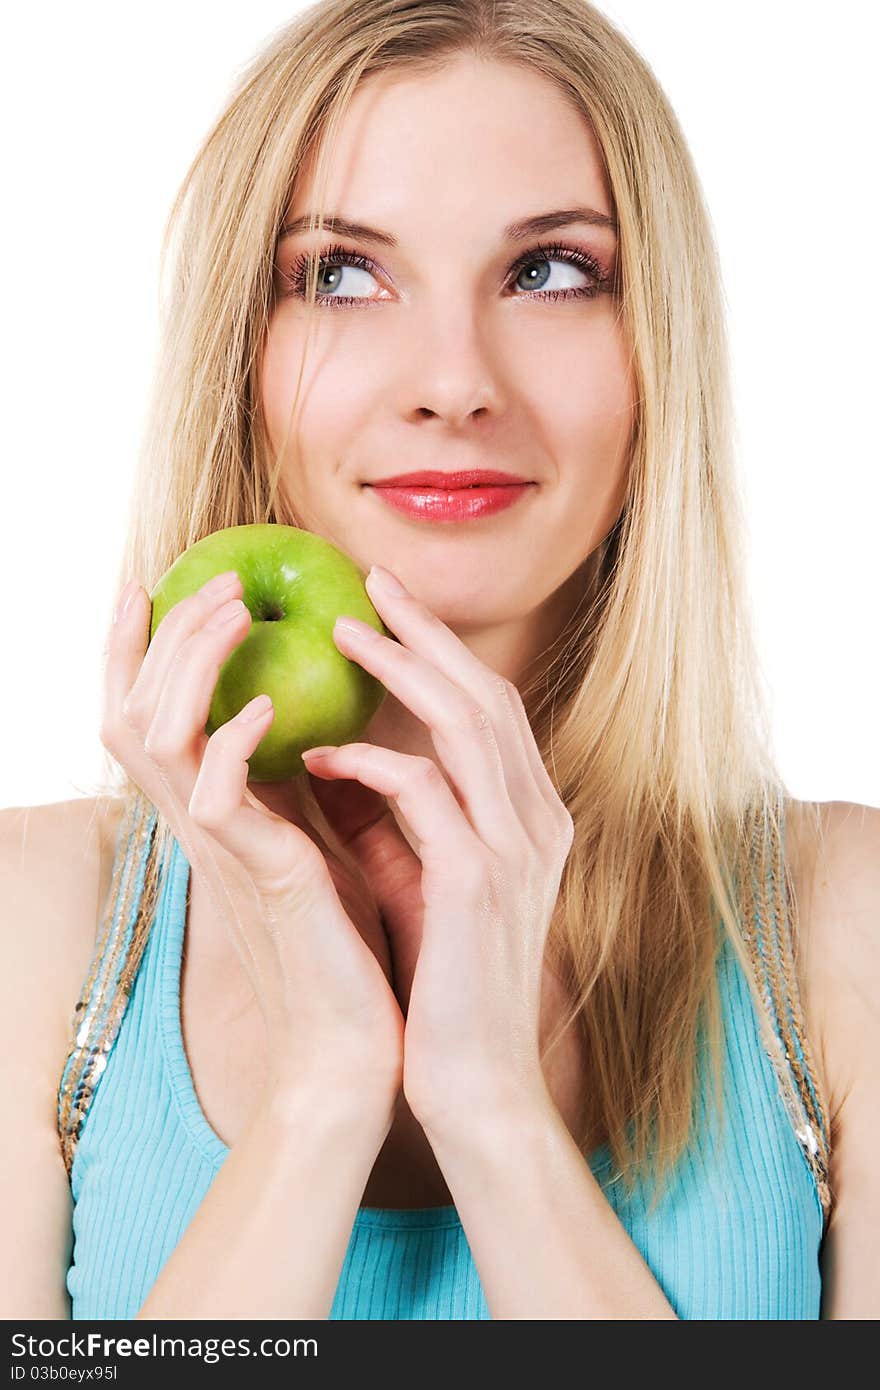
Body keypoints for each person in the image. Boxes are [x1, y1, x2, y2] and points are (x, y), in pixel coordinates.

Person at [2, 0, 877, 1322]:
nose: (454, 380)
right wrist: (323, 1088)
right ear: (241, 355)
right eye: (343, 275)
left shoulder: (842, 935)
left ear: (657, 357)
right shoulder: (36, 929)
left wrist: (490, 1110)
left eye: (551, 273)